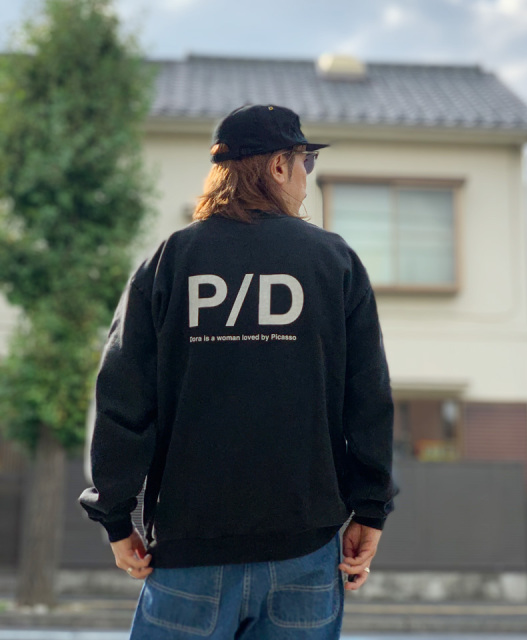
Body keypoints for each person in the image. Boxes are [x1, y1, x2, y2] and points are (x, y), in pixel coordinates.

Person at [79, 104, 397, 639]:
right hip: (304, 552)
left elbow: (122, 396)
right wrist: (370, 509)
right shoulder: (333, 261)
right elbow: (368, 397)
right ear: (278, 166)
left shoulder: (171, 260)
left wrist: (115, 516)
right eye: (305, 162)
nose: (306, 177)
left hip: (188, 553)